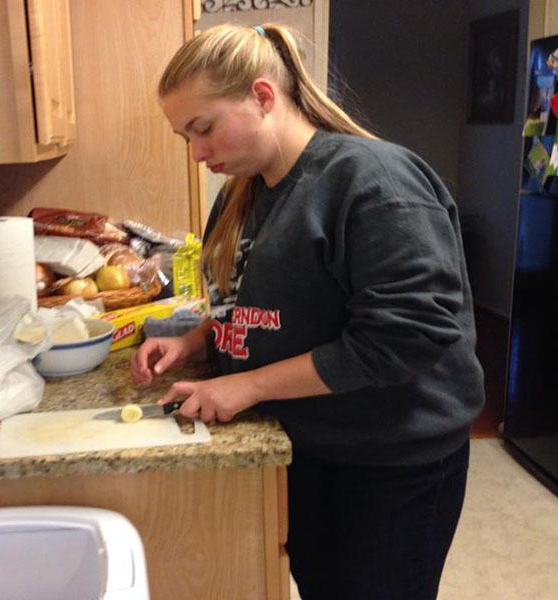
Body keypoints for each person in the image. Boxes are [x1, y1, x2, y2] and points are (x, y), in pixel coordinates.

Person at [130, 23, 485, 600]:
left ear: (263, 96)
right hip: (310, 441)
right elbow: (254, 297)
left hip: (390, 461)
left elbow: (405, 338)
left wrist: (248, 386)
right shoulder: (246, 188)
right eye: (185, 137)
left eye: (204, 128)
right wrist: (196, 342)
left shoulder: (374, 182)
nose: (197, 152)